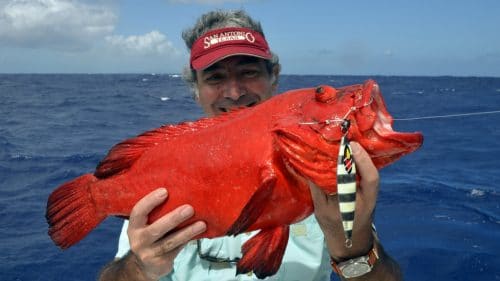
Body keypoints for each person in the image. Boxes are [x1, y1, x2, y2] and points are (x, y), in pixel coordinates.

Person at [98, 9, 402, 281]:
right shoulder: (166, 168)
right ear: (197, 90)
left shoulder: (323, 161)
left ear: (274, 77)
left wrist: (353, 246)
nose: (233, 92)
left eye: (249, 72)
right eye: (215, 78)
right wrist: (140, 268)